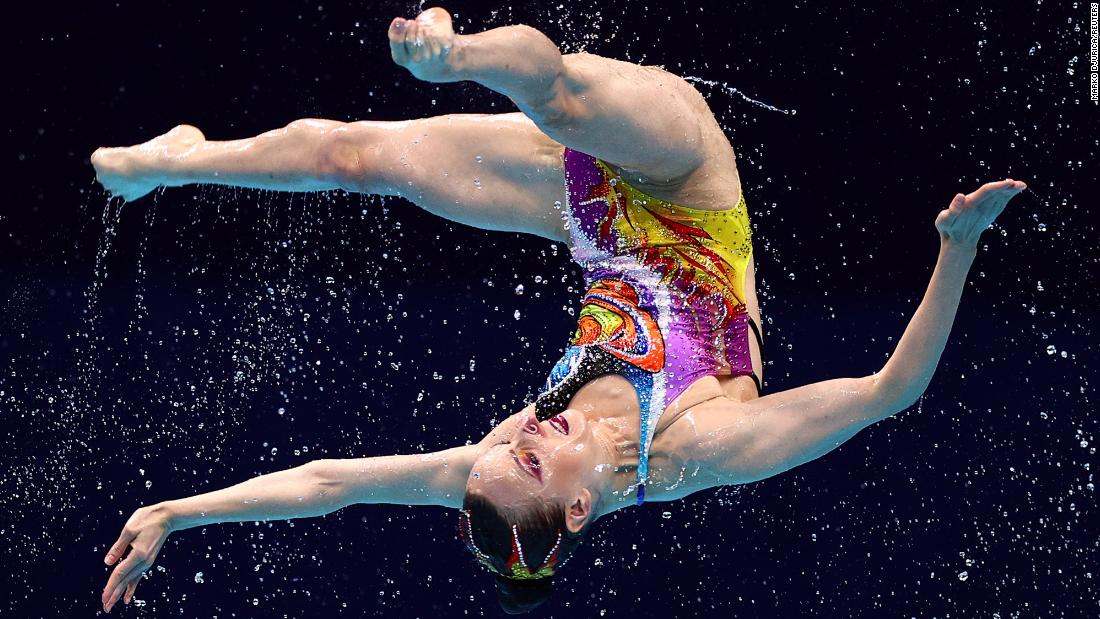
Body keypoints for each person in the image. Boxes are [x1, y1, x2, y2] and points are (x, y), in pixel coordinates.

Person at [92, 7, 1028, 614]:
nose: (524, 430)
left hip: (593, 224)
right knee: (565, 98)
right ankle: (455, 55)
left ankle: (178, 157)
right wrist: (958, 247)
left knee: (356, 160)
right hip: (688, 185)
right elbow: (888, 393)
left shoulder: (511, 464)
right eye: (530, 453)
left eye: (505, 441)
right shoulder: (695, 448)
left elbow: (333, 483)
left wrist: (181, 511)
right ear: (580, 504)